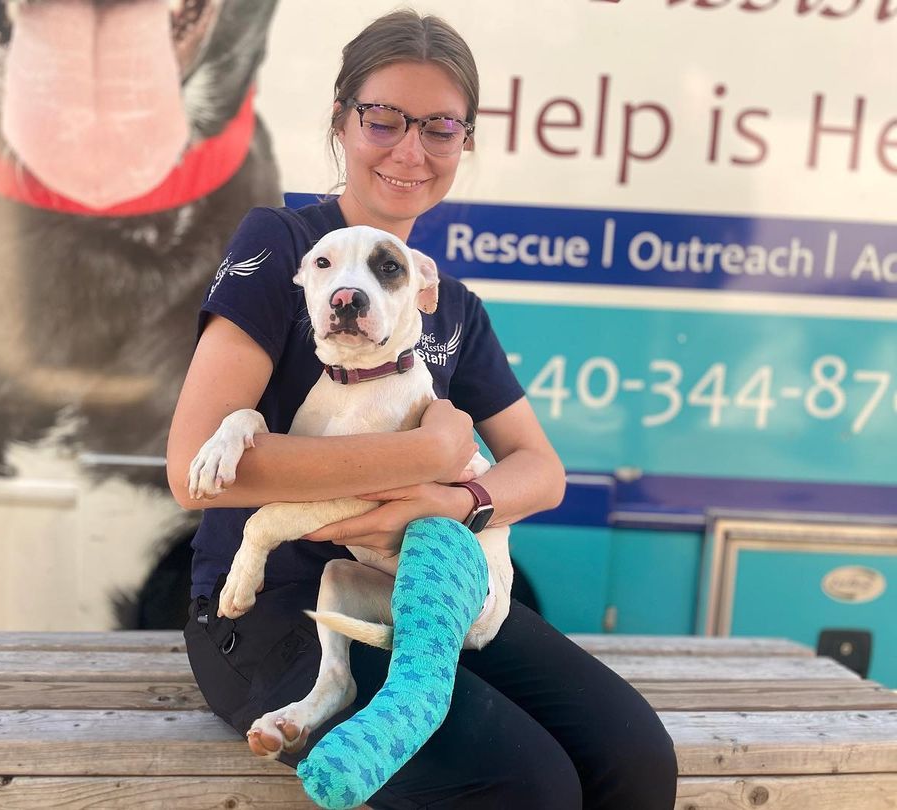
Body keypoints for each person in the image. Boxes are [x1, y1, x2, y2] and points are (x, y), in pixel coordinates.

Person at [167, 9, 678, 809]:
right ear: (341, 122)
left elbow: (541, 473)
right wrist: (427, 455)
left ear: (464, 142)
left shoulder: (454, 305)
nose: (411, 150)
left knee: (635, 757)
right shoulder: (283, 245)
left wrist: (459, 498)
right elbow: (193, 470)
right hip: (270, 606)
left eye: (441, 127)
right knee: (525, 787)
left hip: (422, 591)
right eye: (383, 119)